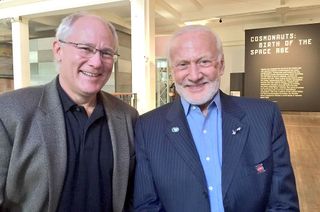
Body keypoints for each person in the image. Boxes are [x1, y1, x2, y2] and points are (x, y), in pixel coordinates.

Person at [133, 25, 299, 212]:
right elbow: (146, 205)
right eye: (183, 64)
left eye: (204, 62)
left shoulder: (265, 116)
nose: (194, 76)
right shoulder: (148, 127)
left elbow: (283, 203)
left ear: (221, 65)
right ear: (173, 71)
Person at [0, 12, 138, 212]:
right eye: (85, 48)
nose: (97, 62)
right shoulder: (10, 112)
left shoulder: (127, 117)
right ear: (58, 50)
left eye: (106, 53)